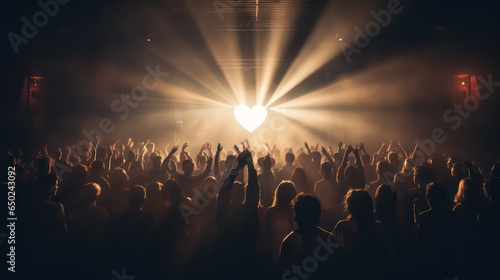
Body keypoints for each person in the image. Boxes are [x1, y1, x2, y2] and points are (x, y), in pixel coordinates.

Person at [216, 150, 260, 280]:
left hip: (226, 261)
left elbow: (224, 191)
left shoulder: (223, 211)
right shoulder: (249, 211)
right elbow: (253, 190)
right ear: (243, 195)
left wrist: (238, 168)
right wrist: (250, 166)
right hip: (247, 262)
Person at [279, 193, 339, 280]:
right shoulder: (330, 239)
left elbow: (283, 273)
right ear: (319, 215)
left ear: (297, 217)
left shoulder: (291, 241)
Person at [332, 189, 387, 280]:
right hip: (375, 272)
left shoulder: (343, 226)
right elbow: (386, 252)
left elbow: (332, 252)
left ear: (350, 206)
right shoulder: (379, 226)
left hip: (350, 272)